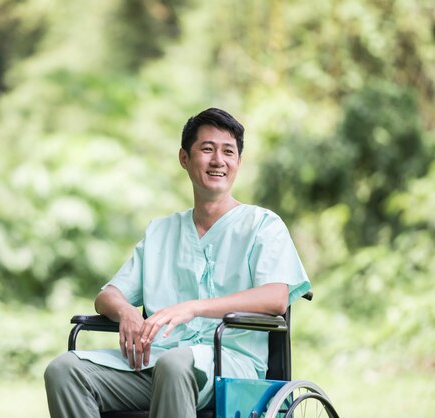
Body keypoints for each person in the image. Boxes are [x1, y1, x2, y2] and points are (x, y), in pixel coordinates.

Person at [44, 107, 311, 418]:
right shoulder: (161, 232)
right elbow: (107, 296)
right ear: (184, 158)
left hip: (231, 367)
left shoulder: (263, 225)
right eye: (207, 149)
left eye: (228, 152)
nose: (218, 160)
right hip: (156, 361)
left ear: (238, 162)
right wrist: (127, 311)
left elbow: (276, 297)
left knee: (175, 364)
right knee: (64, 370)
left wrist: (193, 307)